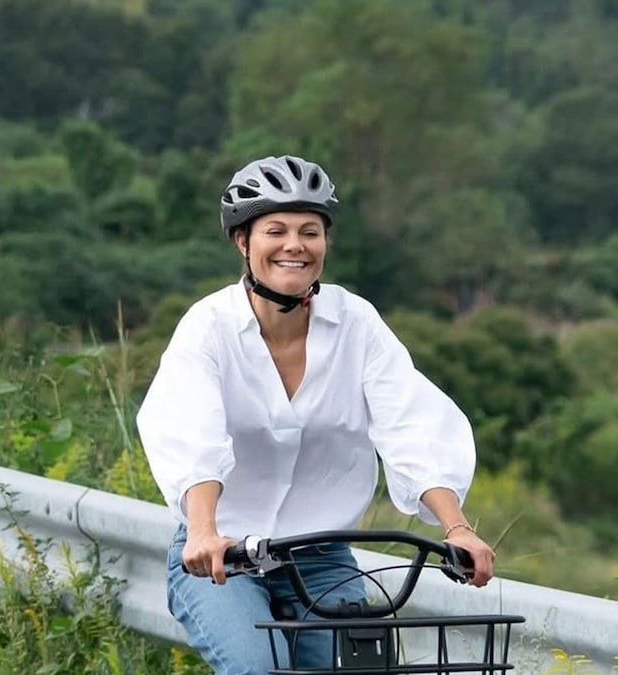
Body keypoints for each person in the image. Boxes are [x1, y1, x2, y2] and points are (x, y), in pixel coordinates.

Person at [135, 155, 496, 673]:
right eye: (275, 230)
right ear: (243, 241)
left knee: (364, 670)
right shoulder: (207, 327)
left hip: (323, 558)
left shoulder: (356, 322)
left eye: (310, 231)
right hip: (225, 557)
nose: (294, 245)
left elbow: (408, 423)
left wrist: (456, 527)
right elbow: (192, 430)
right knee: (256, 667)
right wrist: (203, 530)